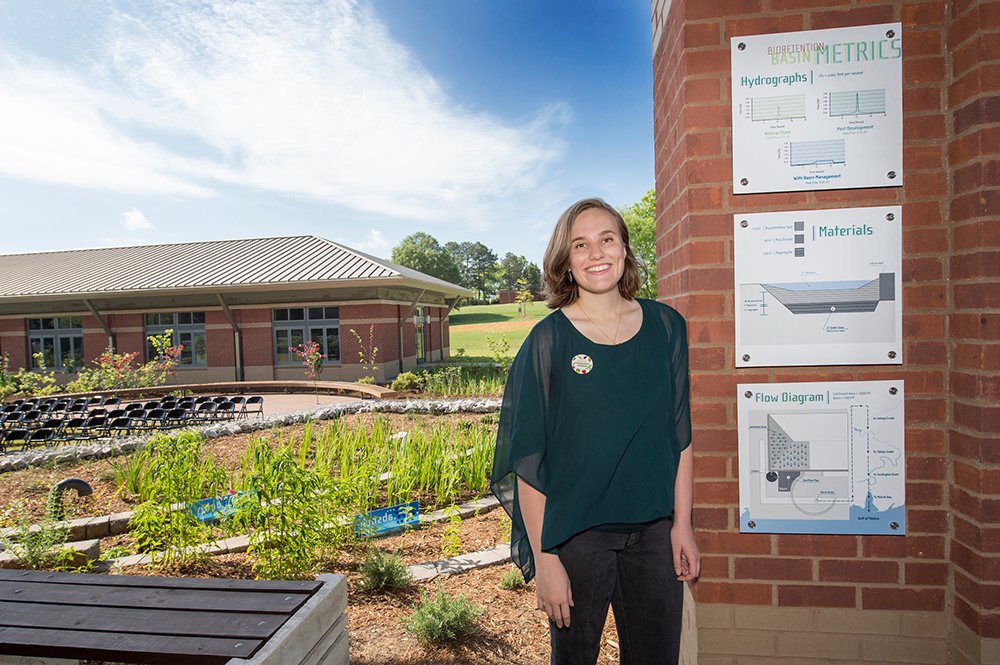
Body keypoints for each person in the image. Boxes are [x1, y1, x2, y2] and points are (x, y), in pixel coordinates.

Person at [491, 197, 699, 665]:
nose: (596, 253)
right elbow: (528, 460)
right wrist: (546, 560)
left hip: (654, 534)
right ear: (566, 262)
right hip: (577, 540)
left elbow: (680, 436)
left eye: (607, 239)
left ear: (625, 248)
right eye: (580, 245)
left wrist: (682, 525)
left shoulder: (668, 328)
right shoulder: (548, 340)